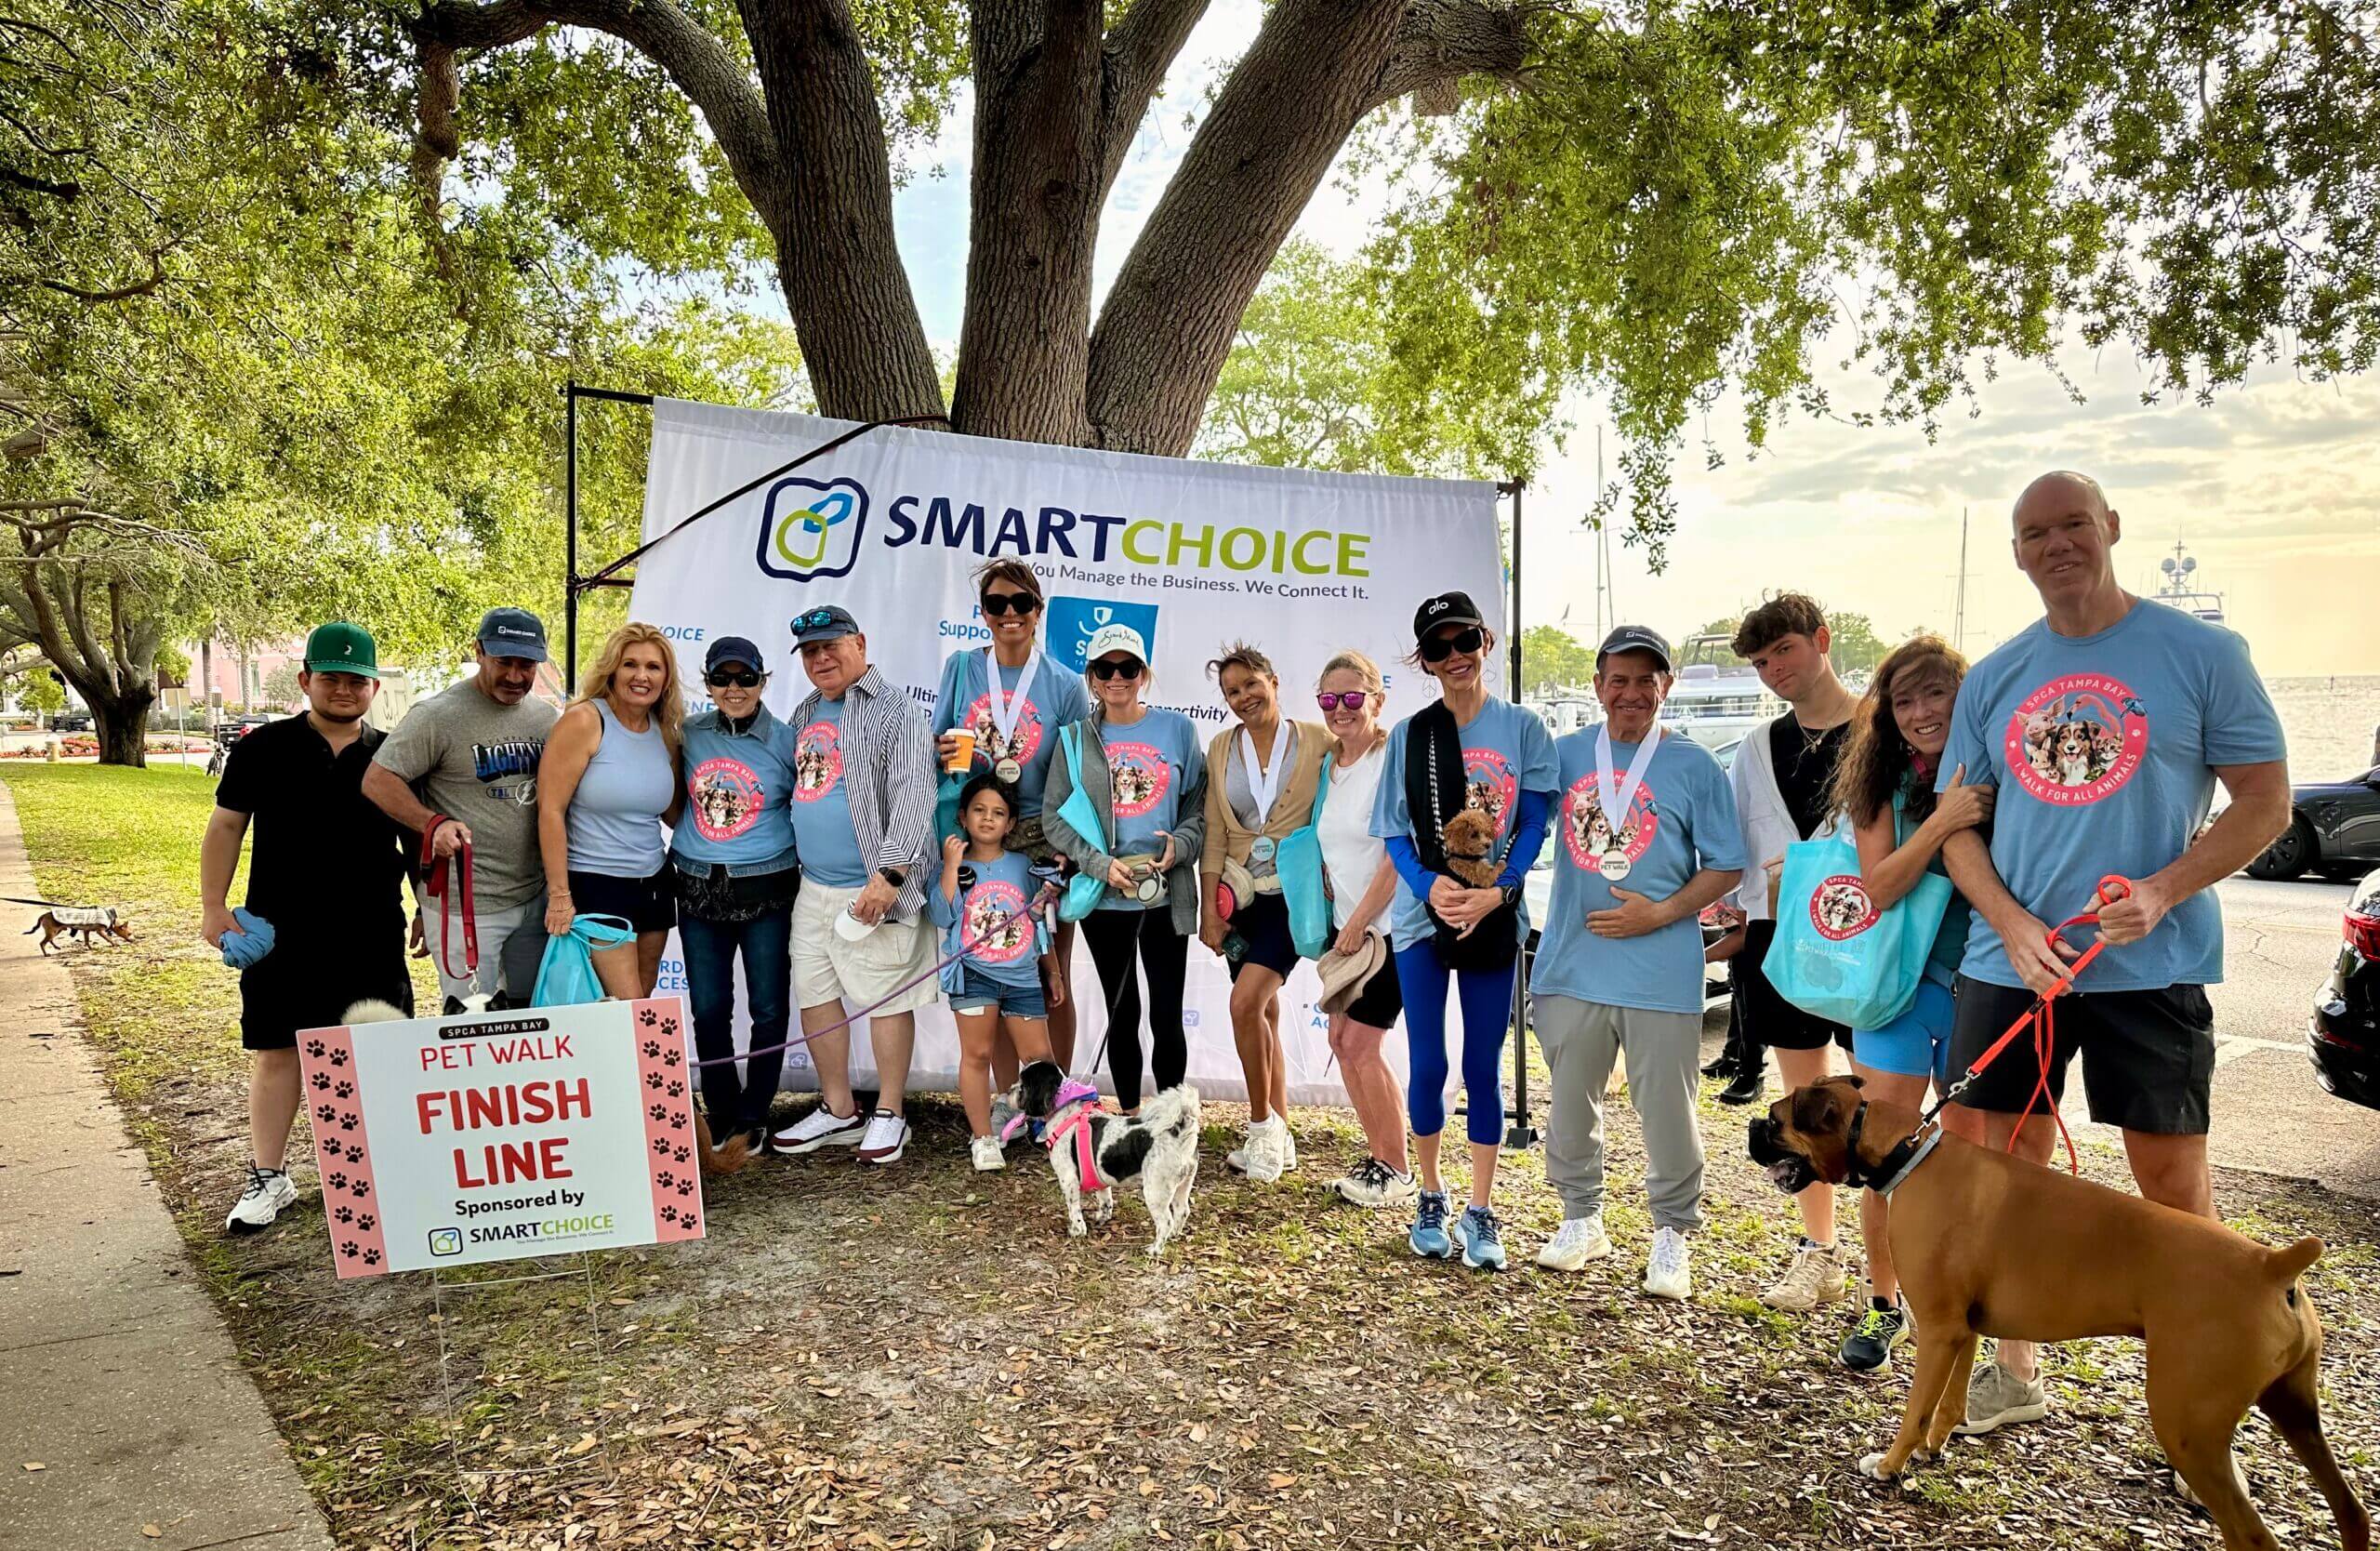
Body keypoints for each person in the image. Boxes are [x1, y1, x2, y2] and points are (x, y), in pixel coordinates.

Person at [1938, 471, 2288, 1439]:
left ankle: (2203, 1397)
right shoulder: (1994, 677)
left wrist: (2163, 890)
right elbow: (1956, 827)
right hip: (2009, 967)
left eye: (2075, 525)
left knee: (2171, 1188)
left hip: (2153, 967)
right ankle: (2014, 1370)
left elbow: (2266, 801)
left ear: (2112, 528)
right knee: (2002, 1174)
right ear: (2017, 553)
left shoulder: (2203, 653)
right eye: (2036, 533)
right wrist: (2011, 924)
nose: (2057, 545)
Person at [1529, 628, 1744, 1298]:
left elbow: (1727, 865)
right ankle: (1581, 1219)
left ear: (1666, 686)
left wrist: (1661, 913)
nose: (1630, 693)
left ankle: (1672, 1234)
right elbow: (1514, 825)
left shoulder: (1694, 765)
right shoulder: (1564, 754)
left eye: (1645, 681)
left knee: (1669, 1112)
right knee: (1570, 1105)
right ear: (1597, 687)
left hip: (1660, 970)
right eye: (1617, 680)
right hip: (1572, 963)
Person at [202, 622, 415, 1232]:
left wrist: (431, 912)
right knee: (277, 1052)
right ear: (305, 680)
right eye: (331, 678)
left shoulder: (394, 754)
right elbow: (226, 826)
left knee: (375, 1052)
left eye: (356, 680)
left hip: (371, 930)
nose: (344, 689)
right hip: (280, 929)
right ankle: (269, 1177)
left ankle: (378, 1174)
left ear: (374, 687)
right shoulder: (263, 748)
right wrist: (214, 907)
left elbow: (417, 841)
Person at [1371, 591, 1556, 1272]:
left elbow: (1534, 822)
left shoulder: (1524, 728)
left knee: (1483, 1064)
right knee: (1428, 1063)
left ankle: (1481, 1209)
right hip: (1423, 921)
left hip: (1494, 914)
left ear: (1486, 641)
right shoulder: (1410, 735)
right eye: (1438, 647)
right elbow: (1394, 831)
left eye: (1465, 640)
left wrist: (1501, 890)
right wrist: (1429, 886)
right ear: (1424, 660)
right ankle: (1430, 1194)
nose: (1455, 656)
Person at [1823, 635, 1994, 1370]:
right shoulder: (1881, 783)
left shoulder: (1994, 771)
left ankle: (1961, 1308)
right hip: (1895, 991)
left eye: (1936, 693)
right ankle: (1883, 1303)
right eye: (1903, 700)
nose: (1922, 712)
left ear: (1966, 696)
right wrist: (1945, 819)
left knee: (1968, 1158)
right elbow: (1881, 887)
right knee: (1882, 1154)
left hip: (1980, 986)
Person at [1725, 592, 1861, 1313]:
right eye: (1761, 661)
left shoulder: (1880, 729)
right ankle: (1821, 1251)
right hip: (1781, 937)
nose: (1774, 669)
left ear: (1821, 640)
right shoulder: (1756, 747)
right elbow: (1738, 844)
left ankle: (1893, 1275)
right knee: (1802, 1103)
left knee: (1883, 1105)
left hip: (1867, 938)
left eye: (1785, 650)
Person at [765, 605, 939, 1165]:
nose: (820, 659)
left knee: (886, 998)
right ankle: (839, 1109)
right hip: (813, 886)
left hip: (874, 883)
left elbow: (915, 795)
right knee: (816, 995)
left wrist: (890, 875)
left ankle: (890, 1111)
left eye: (830, 646)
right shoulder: (806, 711)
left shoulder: (897, 710)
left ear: (859, 643)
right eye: (810, 651)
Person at [932, 560, 1091, 1115]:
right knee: (989, 970)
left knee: (1049, 972)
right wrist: (945, 750)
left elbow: (1079, 773)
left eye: (1020, 603)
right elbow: (935, 744)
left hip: (1044, 841)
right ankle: (1010, 1100)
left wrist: (1068, 850)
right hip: (982, 834)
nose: (1009, 614)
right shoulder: (961, 667)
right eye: (996, 604)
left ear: (1037, 611)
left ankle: (1059, 1101)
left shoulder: (1064, 684)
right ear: (983, 612)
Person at [1042, 623, 1207, 1113]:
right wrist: (1098, 864)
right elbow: (1054, 817)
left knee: (1167, 1010)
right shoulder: (1075, 739)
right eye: (1106, 669)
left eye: (1128, 667)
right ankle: (1132, 1117)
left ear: (1143, 674)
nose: (1117, 678)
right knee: (1123, 1009)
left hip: (1165, 891)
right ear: (1092, 678)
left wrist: (1181, 846)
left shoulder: (1179, 730)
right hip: (1104, 894)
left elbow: (1199, 808)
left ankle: (1173, 1119)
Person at [364, 607, 560, 1011]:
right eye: (504, 662)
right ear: (479, 652)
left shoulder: (546, 718)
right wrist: (431, 823)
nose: (515, 676)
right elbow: (377, 780)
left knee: (532, 1013)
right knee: (472, 1019)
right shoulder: (437, 715)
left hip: (534, 897)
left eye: (526, 665)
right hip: (466, 905)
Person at [1198, 642, 1328, 1182]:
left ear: (1273, 682)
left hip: (1291, 897)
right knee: (1265, 1011)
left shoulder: (1317, 740)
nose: (1243, 697)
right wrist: (1210, 908)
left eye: (1252, 684)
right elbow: (1214, 830)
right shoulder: (1220, 747)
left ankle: (1260, 1130)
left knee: (1245, 1002)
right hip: (1240, 897)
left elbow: (1361, 760)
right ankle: (1281, 1130)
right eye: (1232, 691)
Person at [671, 636, 803, 1150]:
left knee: (768, 1008)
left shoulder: (786, 740)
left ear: (762, 681)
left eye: (745, 678)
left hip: (767, 885)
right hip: (698, 886)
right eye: (722, 679)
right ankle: (722, 1109)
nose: (734, 688)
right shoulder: (687, 734)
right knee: (708, 1008)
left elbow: (813, 802)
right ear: (707, 684)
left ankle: (754, 1113)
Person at [1311, 650, 1412, 1208]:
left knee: (1360, 1043)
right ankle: (1378, 1157)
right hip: (1346, 929)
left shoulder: (1389, 760)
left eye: (1353, 697)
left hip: (1388, 931)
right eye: (1329, 698)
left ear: (1378, 699)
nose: (1341, 708)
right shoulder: (1330, 765)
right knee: (1340, 1042)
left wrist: (1356, 922)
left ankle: (1397, 1168)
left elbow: (1397, 857)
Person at [536, 622, 683, 999]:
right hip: (596, 884)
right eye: (630, 664)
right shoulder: (585, 720)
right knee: (627, 1006)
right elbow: (550, 810)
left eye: (653, 667)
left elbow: (672, 814)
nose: (641, 676)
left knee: (642, 1002)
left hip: (654, 884)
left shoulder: (665, 731)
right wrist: (559, 895)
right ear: (612, 670)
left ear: (666, 678)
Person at [930, 773, 1064, 1171]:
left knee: (1040, 1059)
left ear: (1011, 823)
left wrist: (1053, 972)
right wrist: (950, 867)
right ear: (963, 817)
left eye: (998, 813)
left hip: (1022, 977)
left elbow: (1040, 924)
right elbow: (940, 914)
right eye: (979, 810)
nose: (988, 818)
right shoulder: (953, 865)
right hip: (973, 975)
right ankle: (983, 1137)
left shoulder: (1024, 866)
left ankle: (1050, 1126)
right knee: (977, 1054)